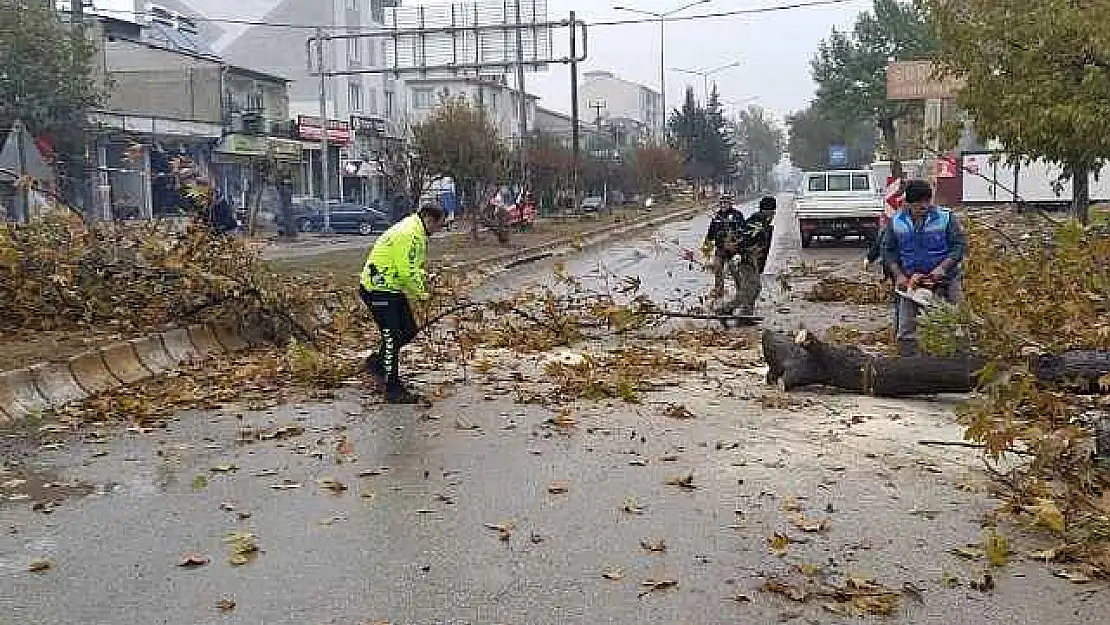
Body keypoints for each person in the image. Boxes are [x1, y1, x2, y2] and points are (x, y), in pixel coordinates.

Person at [359, 202, 446, 403]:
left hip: (391, 286)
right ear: (429, 219)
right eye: (438, 225)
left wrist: (425, 276)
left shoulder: (414, 229)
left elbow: (407, 265)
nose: (438, 230)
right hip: (377, 290)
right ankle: (393, 389)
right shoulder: (410, 234)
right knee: (392, 336)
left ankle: (378, 364)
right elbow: (406, 271)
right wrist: (422, 295)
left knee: (408, 331)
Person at [881, 179, 966, 357]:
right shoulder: (897, 222)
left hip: (945, 278)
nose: (923, 206)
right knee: (906, 328)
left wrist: (942, 269)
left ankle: (955, 358)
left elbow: (958, 246)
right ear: (908, 203)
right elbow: (888, 251)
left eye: (927, 201)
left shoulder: (945, 217)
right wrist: (898, 275)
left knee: (956, 321)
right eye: (918, 203)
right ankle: (908, 362)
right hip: (912, 283)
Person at [732, 196, 777, 315]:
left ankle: (747, 313)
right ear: (769, 211)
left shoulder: (763, 222)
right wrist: (746, 253)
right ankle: (727, 309)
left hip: (753, 260)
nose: (774, 214)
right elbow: (744, 239)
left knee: (755, 287)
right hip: (747, 259)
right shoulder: (757, 222)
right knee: (751, 287)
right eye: (773, 211)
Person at [701, 195, 747, 301]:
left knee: (734, 270)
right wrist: (706, 247)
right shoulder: (717, 216)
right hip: (720, 249)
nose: (723, 205)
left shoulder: (737, 215)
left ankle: (741, 291)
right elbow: (710, 233)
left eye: (726, 203)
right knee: (717, 268)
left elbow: (743, 231)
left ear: (730, 204)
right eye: (721, 203)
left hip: (733, 250)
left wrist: (737, 241)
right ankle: (719, 290)